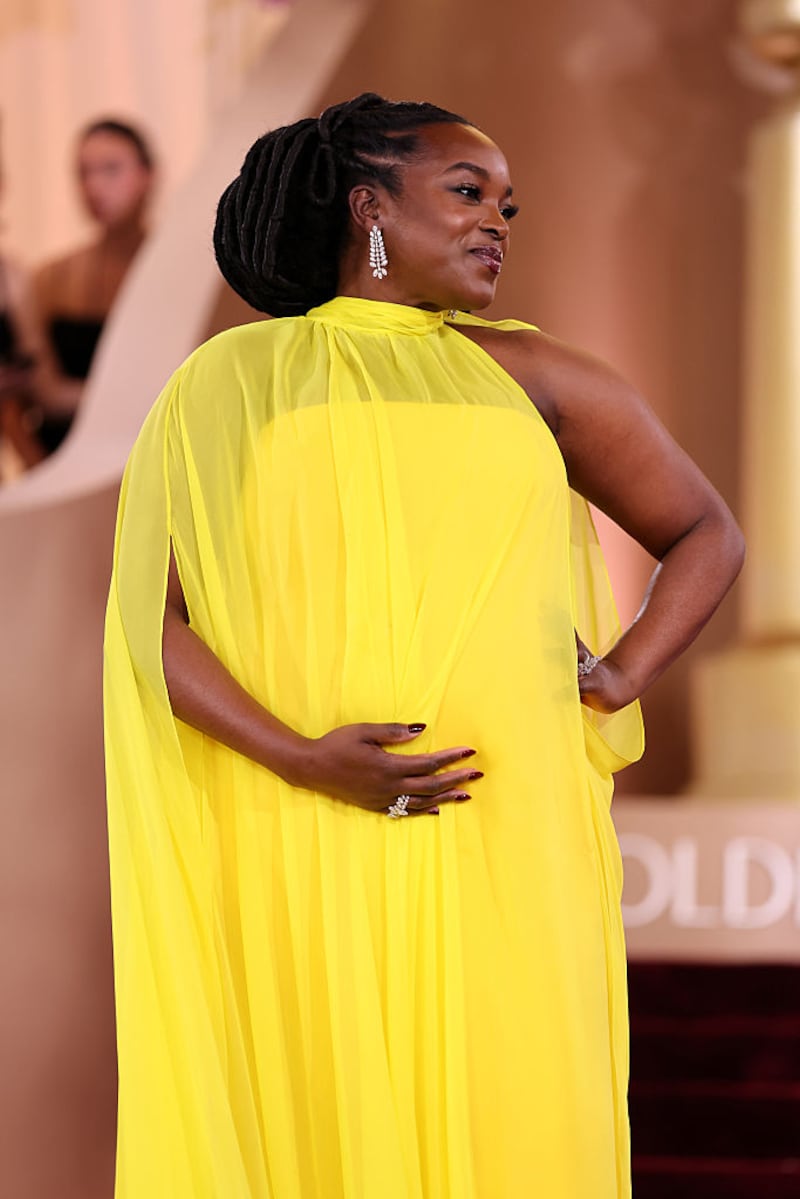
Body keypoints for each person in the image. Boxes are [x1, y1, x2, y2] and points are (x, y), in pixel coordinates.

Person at [104, 93, 744, 1198]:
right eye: (464, 193)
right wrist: (304, 756)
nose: (494, 220)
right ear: (368, 205)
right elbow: (146, 625)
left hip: (507, 815)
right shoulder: (229, 385)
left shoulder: (538, 376)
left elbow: (703, 530)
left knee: (510, 1096)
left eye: (506, 206)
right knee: (320, 1097)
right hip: (296, 814)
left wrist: (623, 669)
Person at [34, 118, 154, 454]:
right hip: (59, 457)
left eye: (111, 169)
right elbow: (37, 395)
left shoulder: (173, 277)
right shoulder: (51, 278)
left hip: (147, 450)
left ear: (148, 175)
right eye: (83, 172)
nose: (94, 186)